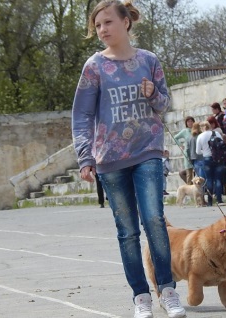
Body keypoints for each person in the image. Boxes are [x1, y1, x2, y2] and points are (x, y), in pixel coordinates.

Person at [71, 1, 186, 317]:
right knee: (127, 231)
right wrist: (85, 157)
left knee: (154, 219)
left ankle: (168, 290)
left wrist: (152, 93)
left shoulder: (149, 60)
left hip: (148, 150)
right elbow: (81, 114)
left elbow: (164, 104)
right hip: (110, 159)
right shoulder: (94, 67)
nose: (103, 30)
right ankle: (141, 297)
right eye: (98, 26)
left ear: (126, 23)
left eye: (108, 22)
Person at [196, 121, 226, 206]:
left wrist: (205, 152)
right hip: (218, 159)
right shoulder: (216, 133)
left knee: (209, 179)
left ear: (201, 128)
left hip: (207, 159)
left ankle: (210, 201)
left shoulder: (200, 136)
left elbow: (198, 151)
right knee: (218, 179)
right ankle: (219, 200)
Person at [174, 116, 195, 185]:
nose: (190, 123)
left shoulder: (196, 130)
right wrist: (180, 145)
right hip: (188, 153)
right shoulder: (185, 131)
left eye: (191, 121)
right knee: (189, 173)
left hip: (196, 153)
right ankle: (189, 189)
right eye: (188, 121)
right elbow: (175, 137)